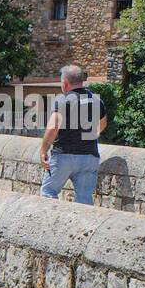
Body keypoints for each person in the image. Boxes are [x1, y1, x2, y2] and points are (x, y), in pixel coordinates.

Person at [39, 64, 108, 204]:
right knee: (84, 200)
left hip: (64, 156)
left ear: (64, 84)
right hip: (89, 157)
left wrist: (43, 151)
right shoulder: (96, 100)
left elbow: (53, 127)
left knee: (48, 193)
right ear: (82, 81)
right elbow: (103, 123)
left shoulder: (62, 100)